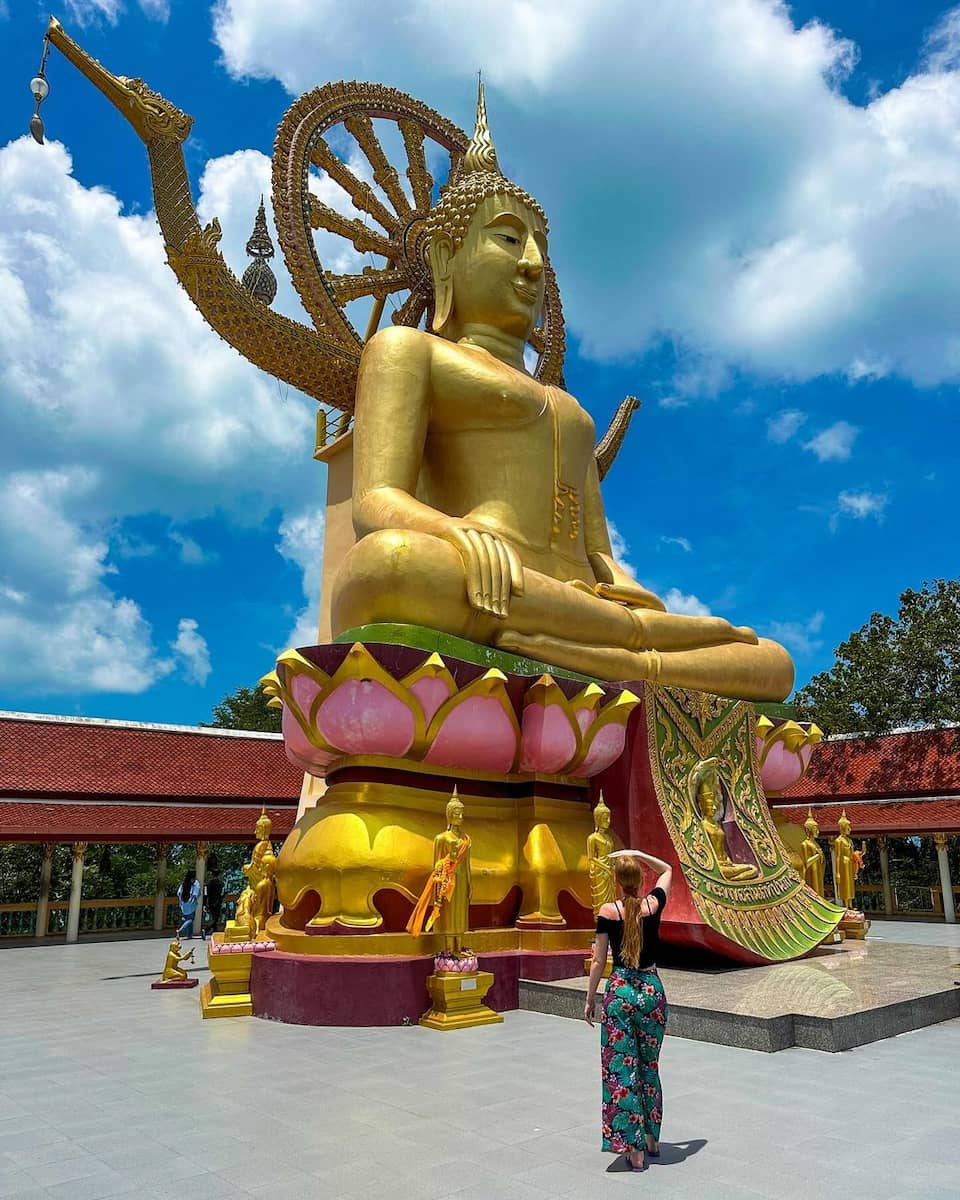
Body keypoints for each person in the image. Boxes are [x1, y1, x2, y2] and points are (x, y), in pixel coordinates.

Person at [584, 849, 673, 1172]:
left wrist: (590, 997)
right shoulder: (652, 905)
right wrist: (638, 853)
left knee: (622, 1070)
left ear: (617, 881)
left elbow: (598, 960)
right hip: (651, 992)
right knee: (649, 1067)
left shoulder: (608, 911)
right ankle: (651, 1140)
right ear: (640, 879)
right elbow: (667, 869)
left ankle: (634, 1151)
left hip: (620, 991)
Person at [177, 868, 201, 939]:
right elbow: (196, 894)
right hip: (191, 904)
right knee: (190, 919)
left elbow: (179, 893)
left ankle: (189, 935)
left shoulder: (184, 882)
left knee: (187, 918)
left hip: (183, 904)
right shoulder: (195, 882)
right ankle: (180, 930)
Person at [203, 857, 223, 939]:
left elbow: (206, 893)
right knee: (215, 918)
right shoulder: (220, 883)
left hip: (210, 902)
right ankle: (206, 929)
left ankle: (215, 932)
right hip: (217, 902)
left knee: (214, 917)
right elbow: (221, 893)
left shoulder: (209, 883)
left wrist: (205, 903)